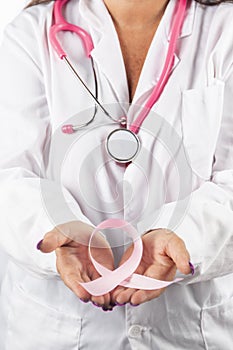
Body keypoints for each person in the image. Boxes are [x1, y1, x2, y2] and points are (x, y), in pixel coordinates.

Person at [0, 0, 233, 349]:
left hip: (191, 330)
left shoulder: (225, 30)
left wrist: (186, 236)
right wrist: (54, 226)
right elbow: (7, 175)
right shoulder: (29, 33)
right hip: (54, 330)